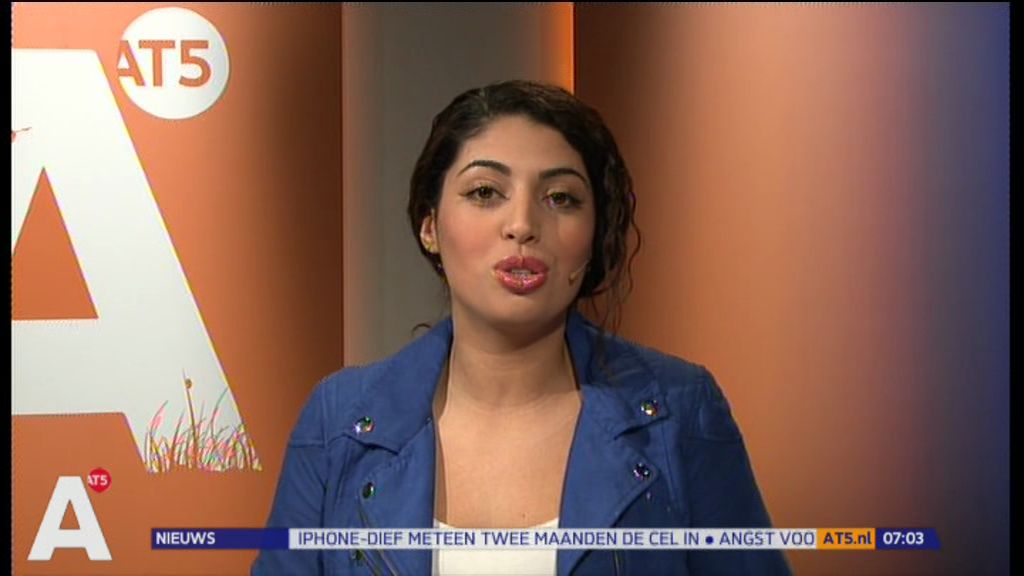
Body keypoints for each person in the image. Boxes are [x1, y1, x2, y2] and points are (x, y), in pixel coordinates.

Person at [253, 80, 791, 575]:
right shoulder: (339, 419)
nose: (523, 225)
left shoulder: (680, 410)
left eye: (561, 198)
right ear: (430, 226)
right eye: (485, 192)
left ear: (594, 234)